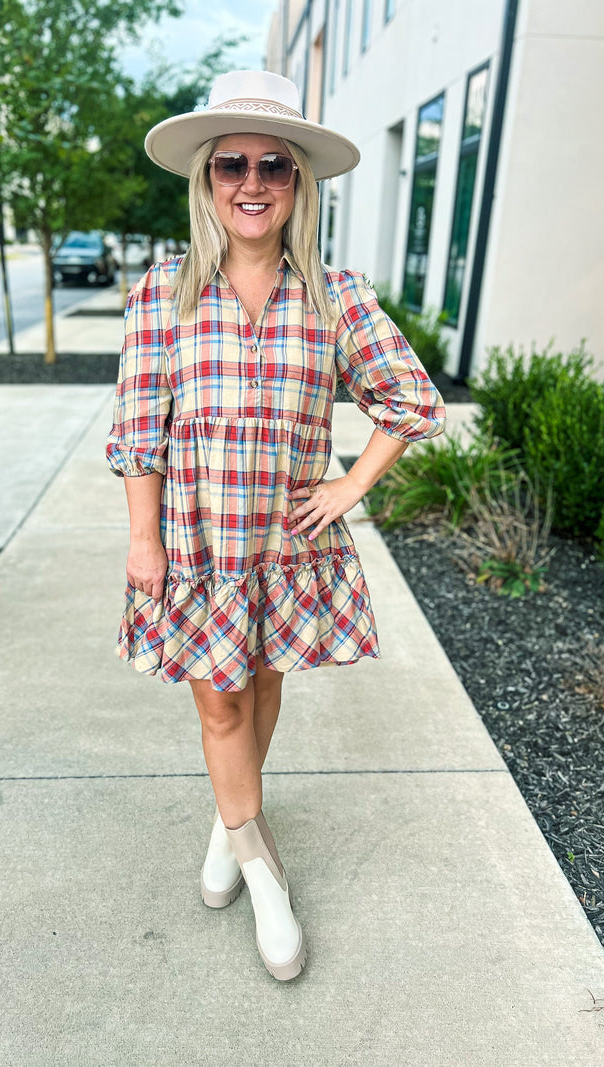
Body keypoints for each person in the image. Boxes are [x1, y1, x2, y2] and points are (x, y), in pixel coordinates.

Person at [107, 70, 445, 981]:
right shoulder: (162, 295)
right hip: (198, 547)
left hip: (286, 544)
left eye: (272, 166)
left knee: (257, 685)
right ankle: (263, 871)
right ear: (206, 180)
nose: (250, 183)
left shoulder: (333, 294)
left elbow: (413, 401)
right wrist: (144, 541)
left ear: (297, 183)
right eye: (230, 165)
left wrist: (350, 488)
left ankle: (227, 827)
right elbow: (140, 433)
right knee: (218, 699)